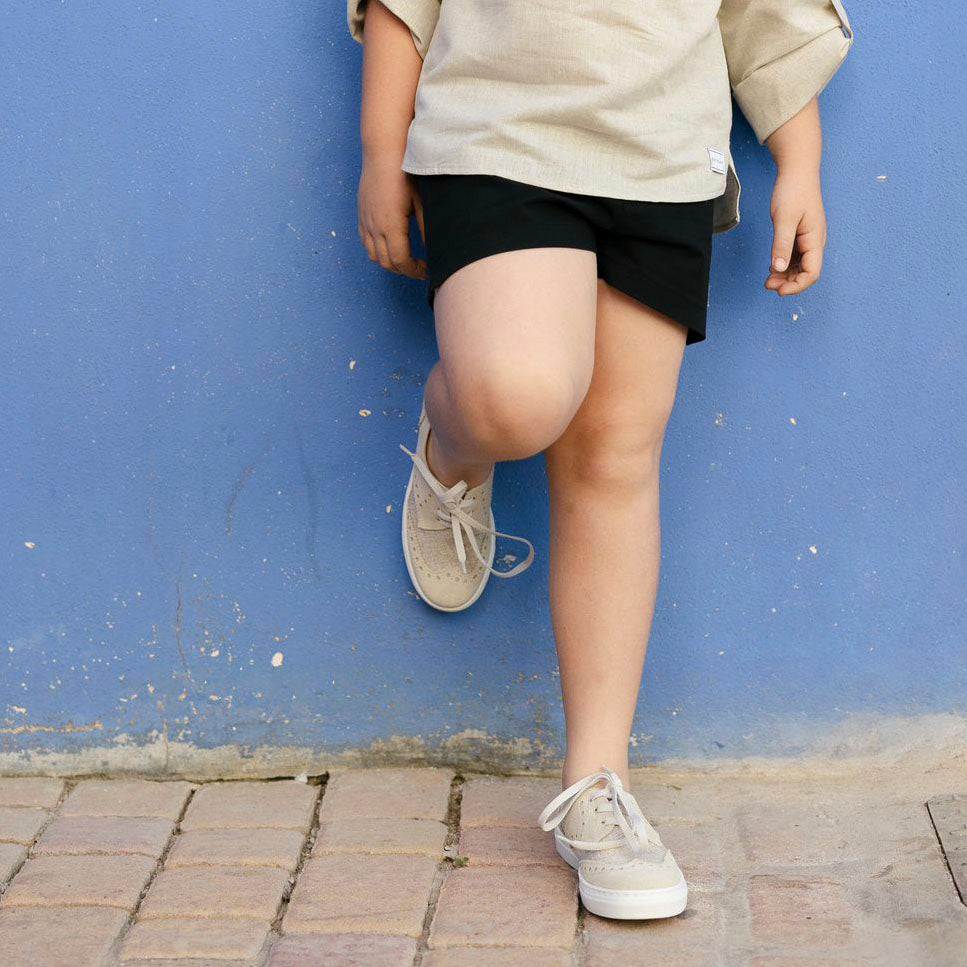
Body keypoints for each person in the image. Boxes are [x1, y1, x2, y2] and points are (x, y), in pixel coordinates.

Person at [347, 0, 854, 920]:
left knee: (614, 454)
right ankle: (453, 440)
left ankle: (597, 788)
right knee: (512, 398)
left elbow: (763, 16)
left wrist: (800, 164)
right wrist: (382, 152)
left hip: (661, 156)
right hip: (494, 135)